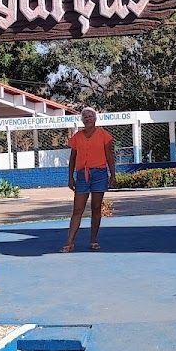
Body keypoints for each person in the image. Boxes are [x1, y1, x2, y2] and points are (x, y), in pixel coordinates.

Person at [61, 107, 115, 252]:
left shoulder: (104, 135)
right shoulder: (77, 137)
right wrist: (70, 178)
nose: (88, 119)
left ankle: (93, 240)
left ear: (95, 118)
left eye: (90, 116)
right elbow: (72, 158)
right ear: (82, 120)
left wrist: (113, 175)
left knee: (96, 208)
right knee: (77, 209)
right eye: (85, 117)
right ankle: (69, 241)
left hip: (100, 173)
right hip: (81, 175)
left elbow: (109, 155)